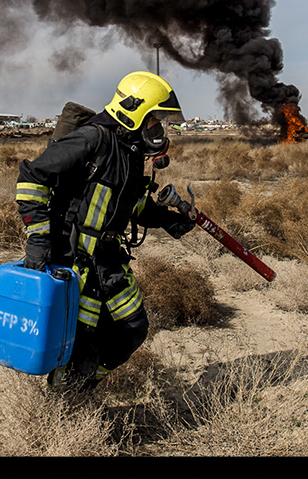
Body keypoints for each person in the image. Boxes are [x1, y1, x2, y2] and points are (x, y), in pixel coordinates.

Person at [15, 71, 196, 391]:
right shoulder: (92, 139)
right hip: (76, 262)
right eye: (154, 120)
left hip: (109, 261)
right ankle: (65, 400)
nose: (158, 129)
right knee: (83, 345)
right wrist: (39, 240)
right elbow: (32, 177)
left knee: (133, 329)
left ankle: (84, 386)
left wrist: (164, 219)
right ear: (133, 110)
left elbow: (128, 202)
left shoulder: (130, 151)